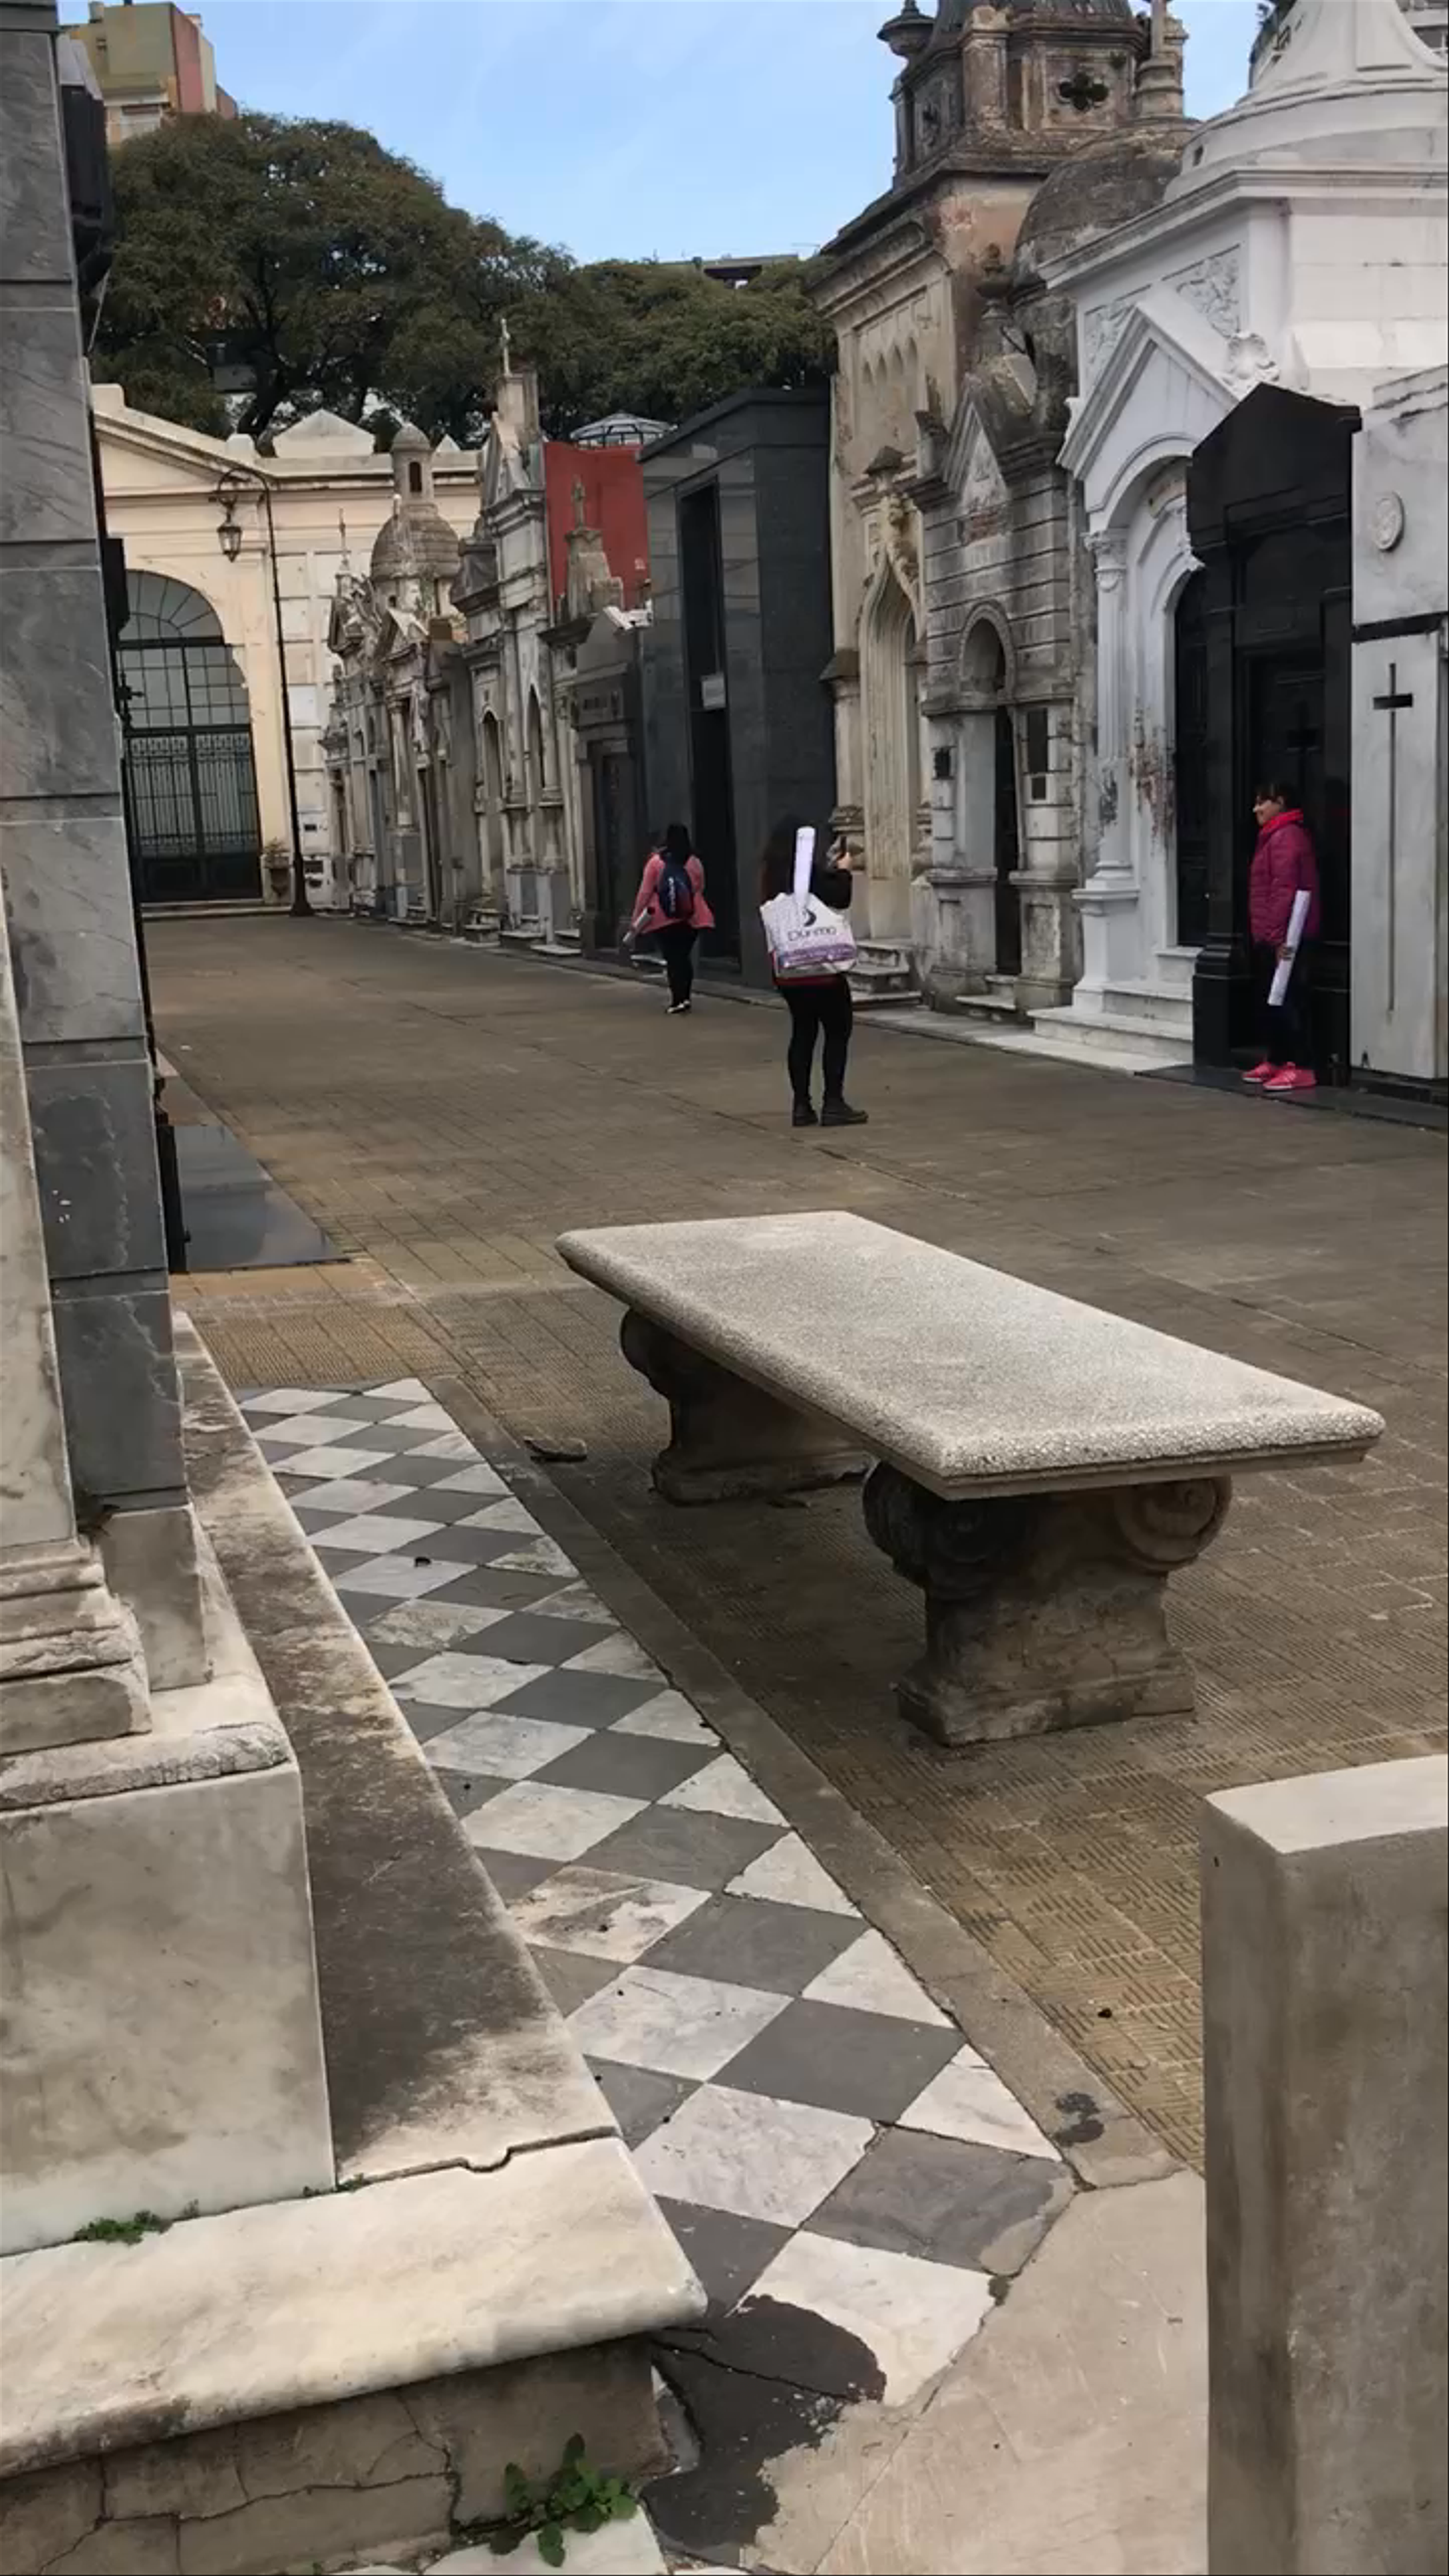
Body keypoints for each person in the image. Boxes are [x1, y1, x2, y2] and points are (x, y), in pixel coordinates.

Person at [759, 815, 867, 1128]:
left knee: (803, 1032)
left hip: (789, 970)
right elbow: (839, 897)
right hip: (822, 968)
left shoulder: (771, 875)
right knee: (837, 1029)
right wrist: (844, 872)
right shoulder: (806, 873)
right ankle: (833, 1102)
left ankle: (801, 1106)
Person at [1245, 782, 1322, 1095]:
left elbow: (1284, 892)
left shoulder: (1286, 838)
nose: (1257, 809)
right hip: (1273, 935)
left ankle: (1302, 1066)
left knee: (1290, 1000)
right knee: (1273, 999)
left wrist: (1278, 940)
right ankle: (1277, 1059)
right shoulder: (1273, 838)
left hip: (1289, 936)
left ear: (1281, 803)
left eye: (1263, 802)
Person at [629, 823, 714, 1016]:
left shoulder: (656, 863)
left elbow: (645, 892)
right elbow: (700, 888)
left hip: (663, 918)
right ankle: (686, 997)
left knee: (673, 959)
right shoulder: (695, 862)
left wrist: (636, 920)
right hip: (691, 917)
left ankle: (677, 1000)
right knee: (684, 957)